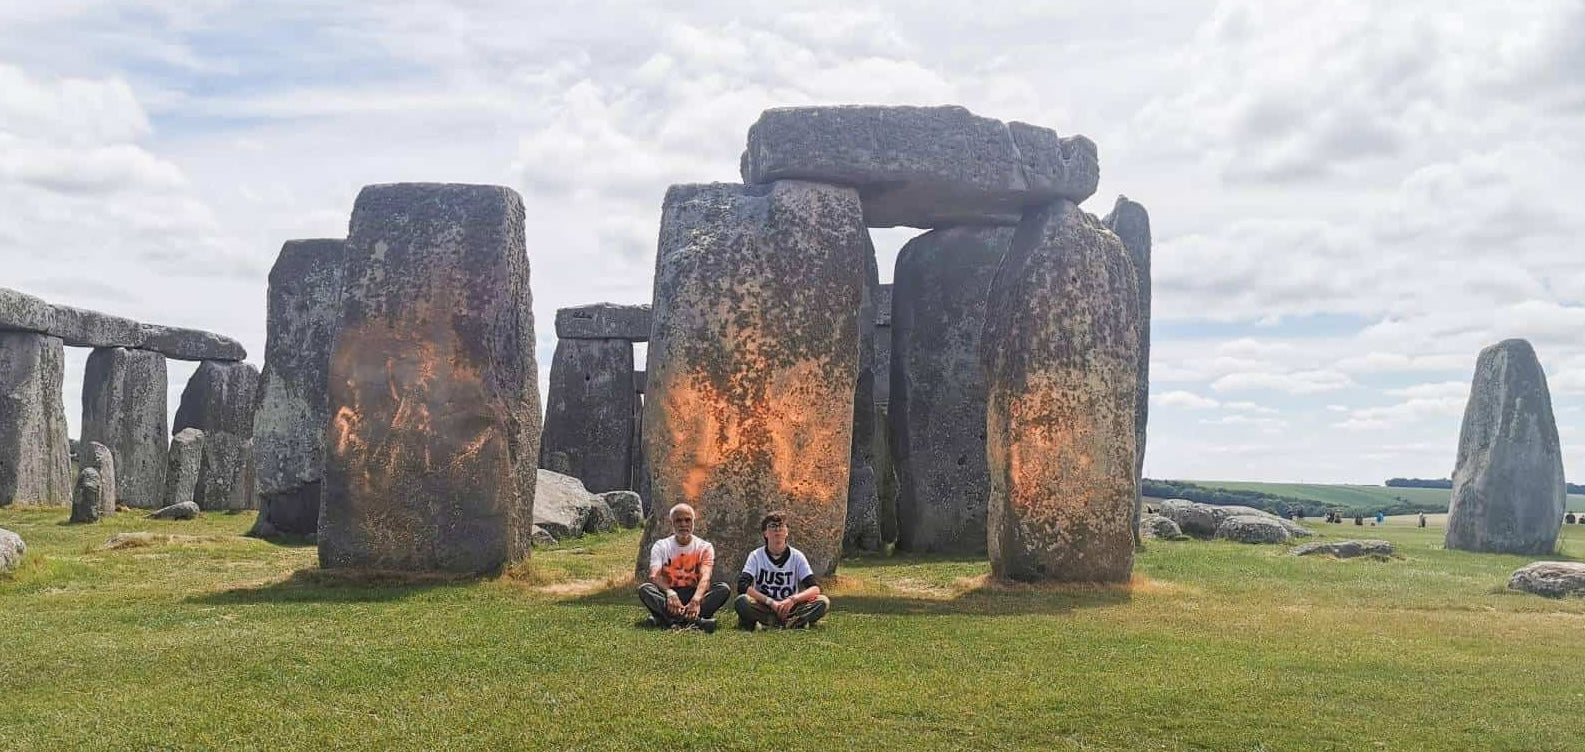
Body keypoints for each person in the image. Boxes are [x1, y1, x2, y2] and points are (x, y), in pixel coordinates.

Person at [637, 503, 732, 632]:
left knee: (723, 588)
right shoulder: (661, 546)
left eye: (687, 520)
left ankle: (667, 620)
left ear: (693, 522)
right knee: (645, 589)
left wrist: (696, 600)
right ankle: (696, 621)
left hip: (694, 592)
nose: (683, 524)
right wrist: (670, 593)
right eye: (678, 520)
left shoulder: (705, 547)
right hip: (669, 594)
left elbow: (705, 577)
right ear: (672, 523)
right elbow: (654, 576)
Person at [734, 510, 830, 630]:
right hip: (765, 606)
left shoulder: (797, 556)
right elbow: (742, 586)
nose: (777, 529)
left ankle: (774, 623)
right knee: (742, 601)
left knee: (823, 601)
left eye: (781, 526)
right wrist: (771, 602)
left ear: (787, 532)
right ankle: (792, 623)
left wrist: (792, 600)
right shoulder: (756, 556)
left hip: (790, 607)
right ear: (765, 533)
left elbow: (815, 588)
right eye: (772, 526)